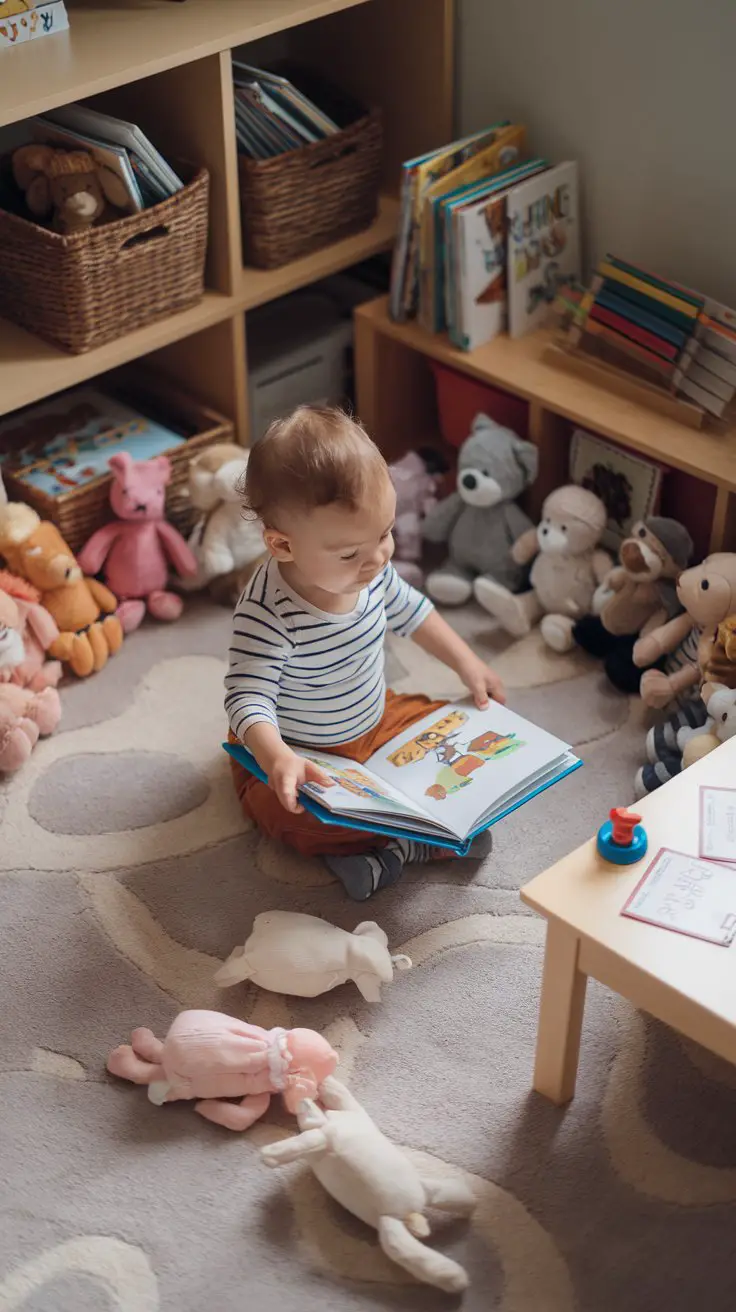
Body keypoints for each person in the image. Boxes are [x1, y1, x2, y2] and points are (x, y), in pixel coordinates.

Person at [225, 405, 505, 901]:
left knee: (458, 737)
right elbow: (247, 699)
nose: (377, 558)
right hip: (301, 750)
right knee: (295, 816)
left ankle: (391, 844)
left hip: (374, 719)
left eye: (385, 533)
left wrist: (468, 662)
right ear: (282, 545)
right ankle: (409, 844)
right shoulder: (267, 612)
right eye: (351, 552)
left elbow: (413, 612)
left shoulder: (371, 572)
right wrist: (278, 758)